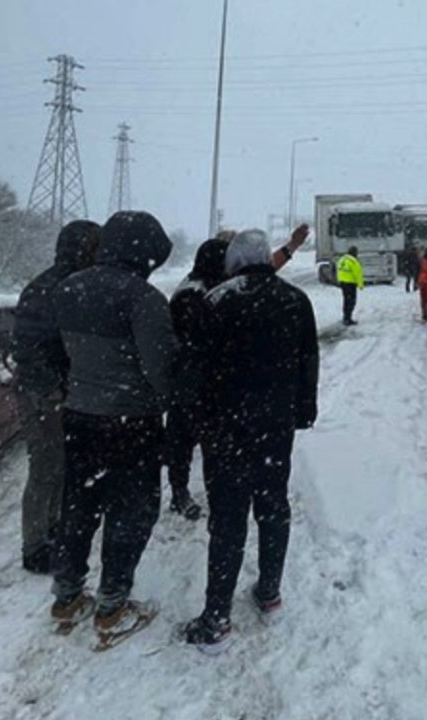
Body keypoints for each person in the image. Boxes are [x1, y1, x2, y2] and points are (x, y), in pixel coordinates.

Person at [182, 229, 319, 652]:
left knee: (227, 518)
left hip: (226, 429)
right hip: (274, 428)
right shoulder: (295, 301)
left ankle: (217, 618)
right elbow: (307, 360)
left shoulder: (218, 301)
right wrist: (302, 411)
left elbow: (195, 370)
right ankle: (270, 592)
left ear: (234, 263)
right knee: (273, 506)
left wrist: (197, 418)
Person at [48, 210, 176, 648]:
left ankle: (66, 596)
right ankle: (112, 606)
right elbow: (161, 370)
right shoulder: (143, 299)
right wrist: (171, 399)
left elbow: (58, 354)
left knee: (78, 506)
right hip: (131, 423)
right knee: (131, 510)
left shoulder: (67, 289)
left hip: (79, 417)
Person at [11, 219, 101, 574]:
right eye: (96, 247)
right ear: (82, 249)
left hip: (58, 389)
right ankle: (35, 546)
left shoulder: (57, 284)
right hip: (44, 393)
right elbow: (27, 349)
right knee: (46, 466)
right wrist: (52, 390)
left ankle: (52, 528)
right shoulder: (54, 288)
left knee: (60, 464)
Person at [165, 238, 232, 521]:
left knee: (195, 441)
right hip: (193, 383)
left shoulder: (198, 287)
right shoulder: (194, 295)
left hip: (193, 382)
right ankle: (180, 493)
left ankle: (197, 492)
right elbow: (196, 343)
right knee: (189, 441)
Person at [337, 245, 364, 326]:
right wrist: (360, 285)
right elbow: (358, 274)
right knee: (351, 301)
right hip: (350, 284)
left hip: (343, 283)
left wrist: (339, 280)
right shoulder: (353, 262)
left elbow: (338, 270)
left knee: (346, 301)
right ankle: (348, 319)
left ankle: (346, 317)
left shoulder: (342, 259)